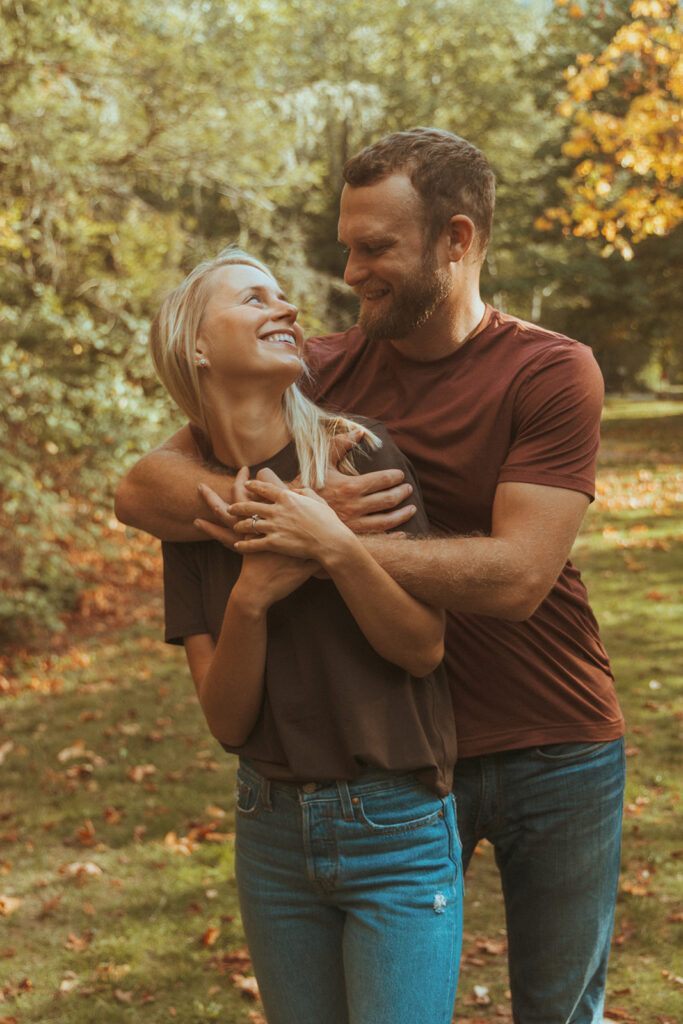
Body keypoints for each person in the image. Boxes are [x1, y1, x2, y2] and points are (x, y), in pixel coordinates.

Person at [116, 128, 626, 1024]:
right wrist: (278, 522)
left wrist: (324, 541)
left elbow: (516, 580)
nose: (350, 272)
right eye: (347, 246)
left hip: (553, 739)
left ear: (456, 241)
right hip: (397, 758)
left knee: (556, 1010)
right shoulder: (321, 367)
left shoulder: (549, 370)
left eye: (376, 248)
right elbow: (143, 484)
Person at [147, 246, 462, 1024]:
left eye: (283, 298)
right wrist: (251, 596)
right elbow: (225, 721)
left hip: (395, 823)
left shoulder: (357, 454)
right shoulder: (189, 512)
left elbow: (422, 648)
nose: (285, 309)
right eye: (254, 298)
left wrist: (335, 548)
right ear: (195, 344)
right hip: (271, 835)